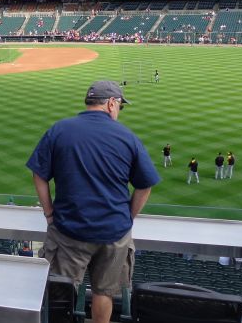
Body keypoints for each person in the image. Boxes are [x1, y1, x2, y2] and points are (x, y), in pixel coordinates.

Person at [26, 80, 160, 323]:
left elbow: (39, 175)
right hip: (113, 233)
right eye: (120, 106)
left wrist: (49, 214)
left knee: (60, 294)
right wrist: (128, 216)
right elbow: (145, 185)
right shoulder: (127, 136)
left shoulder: (59, 129)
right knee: (104, 292)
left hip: (68, 229)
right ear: (111, 104)